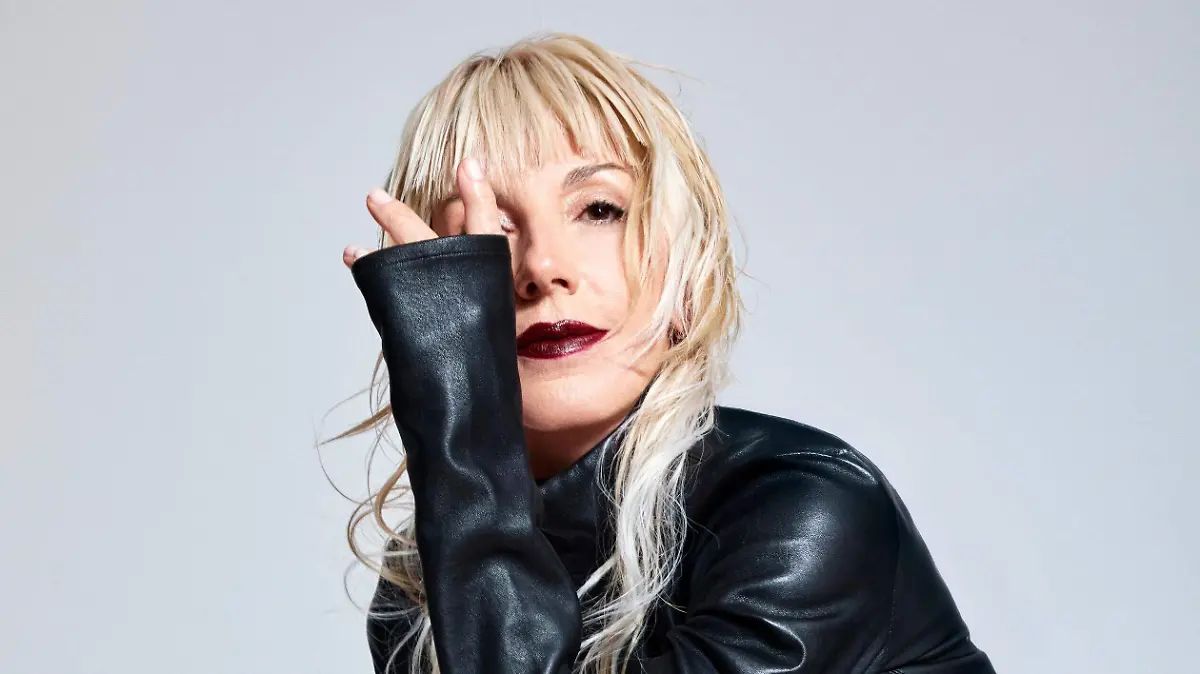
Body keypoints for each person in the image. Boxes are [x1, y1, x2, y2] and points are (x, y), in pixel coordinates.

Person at [332, 32, 996, 674]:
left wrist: (466, 419)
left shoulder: (802, 507)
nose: (541, 267)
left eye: (599, 210)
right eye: (487, 233)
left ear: (685, 262)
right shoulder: (422, 590)